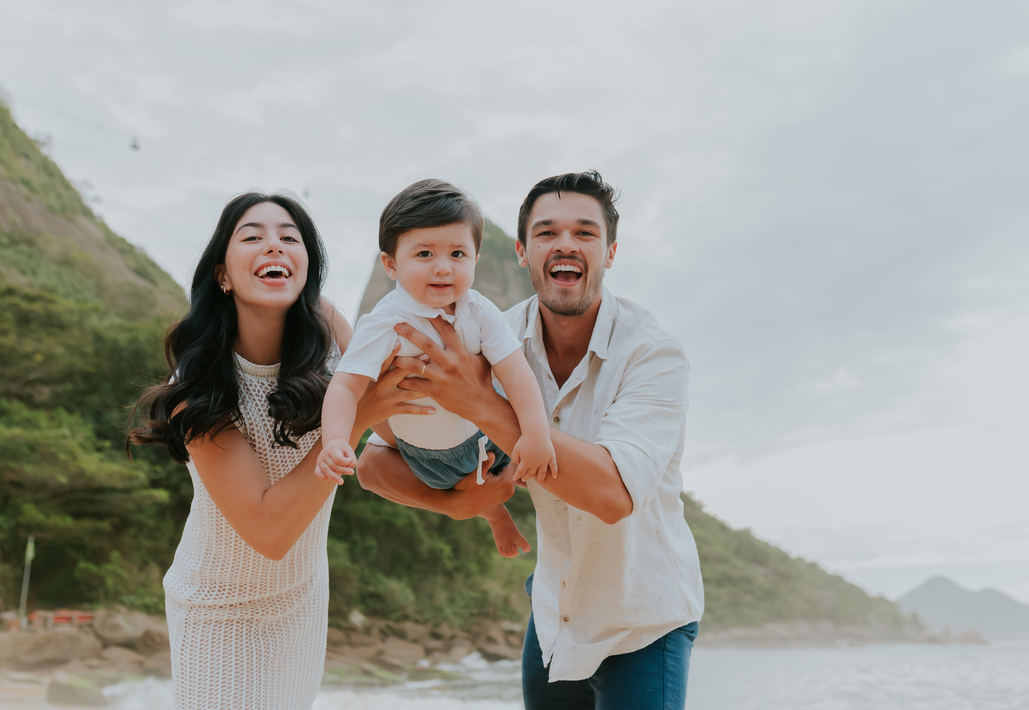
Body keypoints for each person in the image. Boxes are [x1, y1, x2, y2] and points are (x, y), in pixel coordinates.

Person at [356, 172, 704, 710]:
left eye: (585, 233)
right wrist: (452, 502)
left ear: (610, 253)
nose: (565, 243)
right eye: (547, 233)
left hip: (642, 620)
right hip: (553, 612)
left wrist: (478, 403)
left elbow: (613, 496)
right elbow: (375, 463)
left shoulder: (652, 354)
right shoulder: (480, 331)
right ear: (522, 251)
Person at [128, 192, 421, 710]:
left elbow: (394, 432)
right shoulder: (196, 387)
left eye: (290, 238)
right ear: (223, 274)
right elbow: (268, 531)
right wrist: (359, 416)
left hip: (300, 601)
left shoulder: (330, 335)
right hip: (215, 609)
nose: (275, 246)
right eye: (253, 236)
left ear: (306, 265)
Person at [315, 179, 557, 557]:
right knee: (470, 488)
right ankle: (496, 517)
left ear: (476, 259)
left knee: (544, 465)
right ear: (391, 264)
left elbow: (515, 372)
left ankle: (536, 521)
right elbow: (345, 386)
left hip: (491, 433)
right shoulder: (384, 322)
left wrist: (536, 433)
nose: (443, 268)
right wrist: (334, 440)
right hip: (428, 459)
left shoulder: (478, 311)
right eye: (425, 253)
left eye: (457, 254)